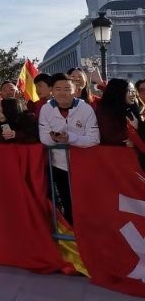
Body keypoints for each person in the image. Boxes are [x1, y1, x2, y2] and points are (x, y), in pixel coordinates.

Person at [38, 72, 99, 224]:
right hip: (59, 165)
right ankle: (73, 238)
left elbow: (94, 138)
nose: (62, 92)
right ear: (52, 90)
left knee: (88, 202)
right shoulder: (45, 110)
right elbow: (43, 137)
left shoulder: (86, 109)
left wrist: (70, 138)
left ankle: (89, 235)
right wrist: (53, 139)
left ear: (75, 90)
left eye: (67, 88)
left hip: (84, 164)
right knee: (67, 202)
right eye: (58, 88)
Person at [96, 78, 141, 145]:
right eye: (130, 91)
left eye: (134, 91)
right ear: (119, 92)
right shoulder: (105, 112)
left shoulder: (131, 108)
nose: (134, 94)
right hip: (113, 152)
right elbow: (110, 136)